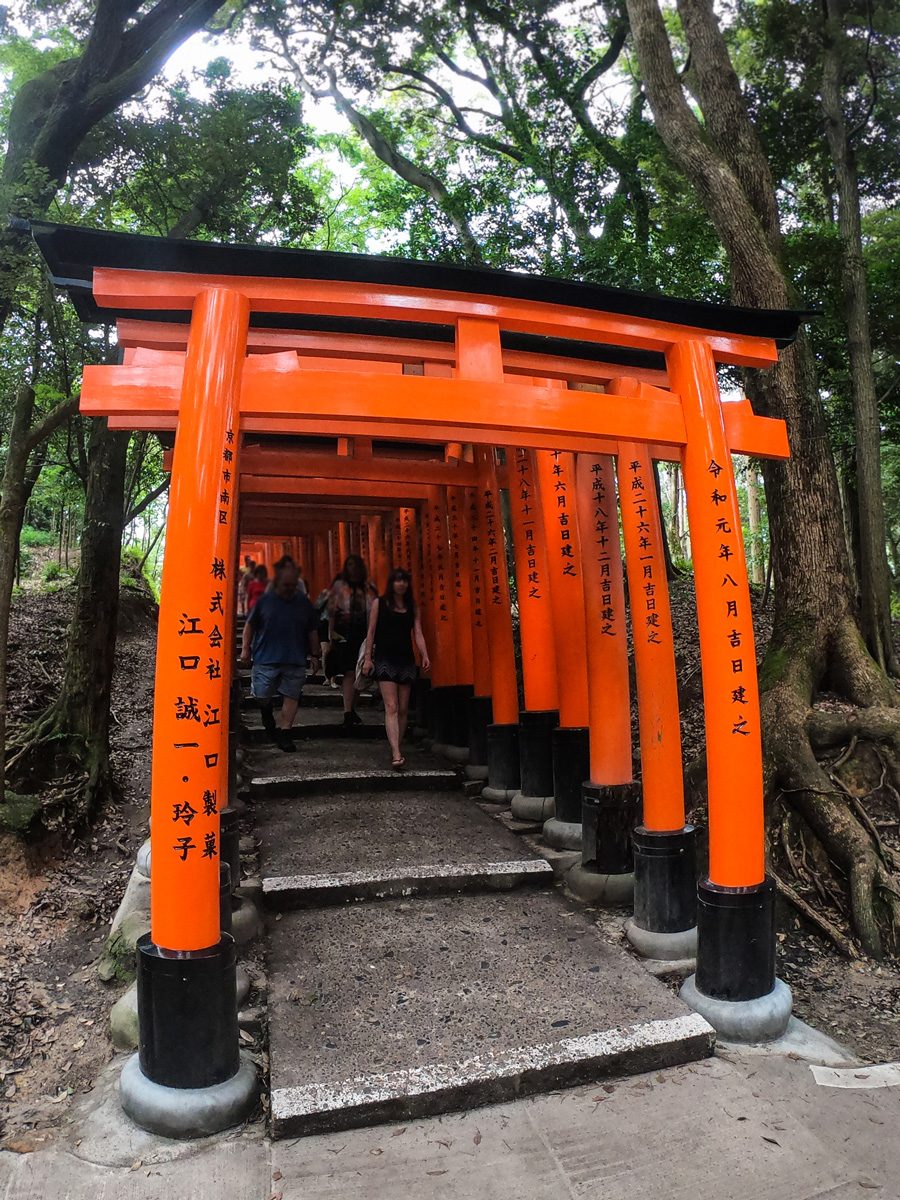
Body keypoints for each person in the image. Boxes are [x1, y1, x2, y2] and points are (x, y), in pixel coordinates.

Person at [239, 562, 320, 752]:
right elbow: (250, 626)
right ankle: (266, 711)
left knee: (292, 695)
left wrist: (315, 654)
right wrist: (245, 649)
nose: (289, 588)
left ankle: (285, 733)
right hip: (265, 657)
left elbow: (312, 630)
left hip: (295, 657)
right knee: (262, 695)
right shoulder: (265, 601)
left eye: (293, 584)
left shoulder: (303, 603)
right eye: (286, 584)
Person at [363, 567, 430, 768]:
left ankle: (397, 746)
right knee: (391, 706)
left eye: (404, 581)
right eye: (397, 580)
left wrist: (424, 654)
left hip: (406, 659)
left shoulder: (412, 606)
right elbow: (371, 631)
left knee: (402, 709)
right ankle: (396, 752)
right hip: (385, 658)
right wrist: (368, 658)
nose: (401, 584)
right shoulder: (379, 603)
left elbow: (417, 632)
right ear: (391, 583)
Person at [327, 554, 372, 728]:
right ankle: (348, 711)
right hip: (343, 632)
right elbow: (331, 612)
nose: (352, 568)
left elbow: (372, 610)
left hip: (362, 632)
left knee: (360, 671)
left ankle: (352, 709)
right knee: (349, 672)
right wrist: (330, 635)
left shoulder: (368, 587)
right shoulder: (339, 587)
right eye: (349, 564)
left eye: (355, 564)